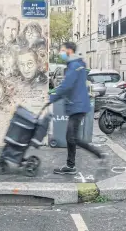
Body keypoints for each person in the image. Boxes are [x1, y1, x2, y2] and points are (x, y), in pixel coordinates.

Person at [49, 42, 107, 175]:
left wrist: (52, 98)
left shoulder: (74, 65)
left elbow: (66, 85)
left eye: (62, 50)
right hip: (77, 105)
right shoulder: (77, 64)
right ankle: (73, 164)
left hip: (77, 106)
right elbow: (68, 85)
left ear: (69, 51)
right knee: (72, 137)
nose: (60, 53)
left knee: (72, 137)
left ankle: (80, 162)